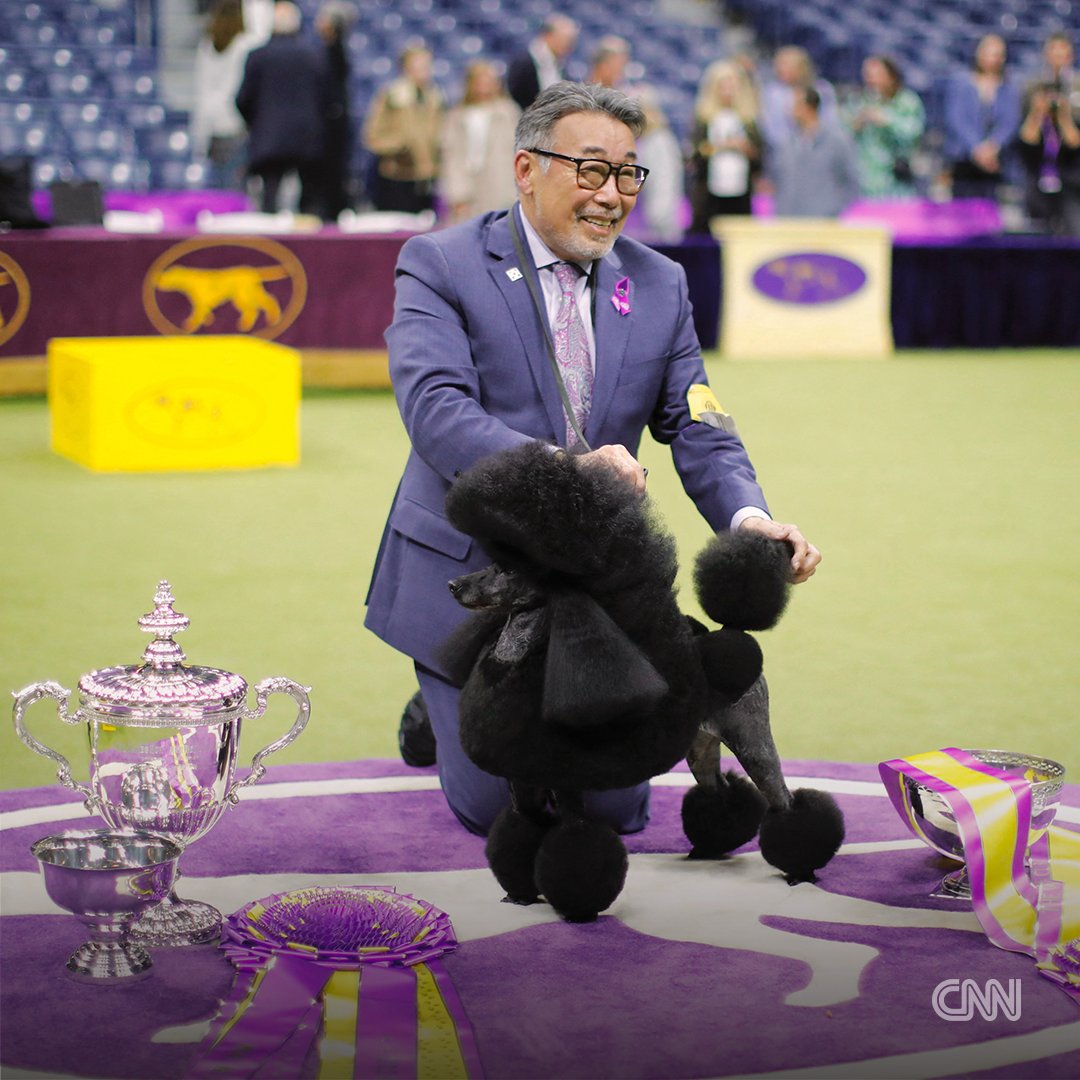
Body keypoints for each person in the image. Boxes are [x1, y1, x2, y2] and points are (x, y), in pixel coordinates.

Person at [364, 82, 821, 838]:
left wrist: (752, 520)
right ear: (524, 170)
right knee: (496, 812)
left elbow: (697, 421)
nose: (612, 195)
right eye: (590, 170)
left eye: (628, 174)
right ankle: (439, 688)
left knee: (615, 810)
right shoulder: (440, 262)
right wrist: (564, 471)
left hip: (600, 583)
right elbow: (437, 413)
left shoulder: (660, 283)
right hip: (477, 581)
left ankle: (450, 704)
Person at [235, 1, 329, 214]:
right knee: (308, 205)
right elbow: (328, 98)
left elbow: (242, 99)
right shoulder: (314, 55)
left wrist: (256, 123)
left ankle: (272, 246)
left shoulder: (258, 56)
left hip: (270, 139)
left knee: (270, 202)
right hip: (307, 139)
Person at [190, 0, 267, 191]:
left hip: (212, 123)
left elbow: (201, 87)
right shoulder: (246, 45)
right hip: (235, 122)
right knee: (235, 188)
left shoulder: (207, 45)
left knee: (221, 186)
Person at [362, 43, 444, 213]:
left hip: (426, 176)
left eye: (426, 65)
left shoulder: (435, 97)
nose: (423, 71)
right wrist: (398, 146)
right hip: (397, 175)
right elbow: (372, 135)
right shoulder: (392, 96)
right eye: (417, 66)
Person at [439, 60, 521, 224]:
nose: (484, 86)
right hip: (468, 185)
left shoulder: (508, 113)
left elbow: (516, 150)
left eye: (489, 81)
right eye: (480, 81)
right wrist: (457, 192)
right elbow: (452, 155)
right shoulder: (457, 116)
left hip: (500, 187)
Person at [942, 33, 1022, 200]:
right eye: (989, 52)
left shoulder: (1010, 87)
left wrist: (993, 147)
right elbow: (956, 118)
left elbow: (1010, 122)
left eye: (998, 54)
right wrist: (976, 148)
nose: (993, 58)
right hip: (964, 159)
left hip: (996, 162)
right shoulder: (960, 83)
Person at [688, 58, 764, 233]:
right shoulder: (704, 119)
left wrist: (745, 148)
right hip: (709, 195)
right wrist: (720, 146)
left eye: (733, 86)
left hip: (740, 193)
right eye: (724, 85)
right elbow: (695, 154)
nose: (729, 91)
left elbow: (760, 157)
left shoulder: (749, 121)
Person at [843, 54, 925, 198]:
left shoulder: (907, 102)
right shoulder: (859, 100)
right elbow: (843, 132)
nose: (871, 79)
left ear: (891, 76)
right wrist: (856, 123)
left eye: (876, 75)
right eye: (868, 75)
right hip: (864, 180)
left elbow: (914, 133)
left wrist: (887, 120)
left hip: (896, 179)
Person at [773, 85, 860, 217]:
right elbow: (777, 180)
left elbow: (851, 180)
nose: (789, 110)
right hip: (790, 223)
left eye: (794, 105)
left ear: (809, 108)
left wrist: (834, 208)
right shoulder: (787, 144)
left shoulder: (837, 141)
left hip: (824, 223)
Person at [1016, 77, 1080, 234]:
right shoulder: (1032, 124)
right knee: (1037, 234)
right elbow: (1027, 141)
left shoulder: (1068, 124)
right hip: (1037, 186)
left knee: (1074, 229)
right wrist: (1037, 112)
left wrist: (1064, 115)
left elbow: (1074, 143)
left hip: (1067, 187)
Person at [759, 45, 838, 169]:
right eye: (778, 65)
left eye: (785, 65)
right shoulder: (772, 92)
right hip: (782, 157)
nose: (780, 69)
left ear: (801, 67)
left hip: (819, 155)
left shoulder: (823, 89)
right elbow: (770, 128)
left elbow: (830, 122)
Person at [314, 1, 357, 222]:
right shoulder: (330, 51)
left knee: (331, 180)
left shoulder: (333, 52)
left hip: (331, 130)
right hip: (332, 126)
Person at [506, 14, 579, 111]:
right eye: (564, 39)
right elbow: (515, 94)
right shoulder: (524, 62)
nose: (568, 45)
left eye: (571, 41)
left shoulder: (560, 64)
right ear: (547, 36)